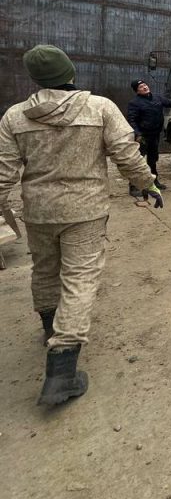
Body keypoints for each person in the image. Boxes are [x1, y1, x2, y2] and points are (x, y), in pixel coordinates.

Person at [0, 45, 162, 406]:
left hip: (39, 213)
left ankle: (49, 329)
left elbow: (4, 173)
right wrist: (148, 183)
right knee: (79, 279)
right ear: (70, 72)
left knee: (44, 271)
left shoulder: (14, 117)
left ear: (35, 78)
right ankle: (61, 371)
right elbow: (126, 154)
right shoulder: (100, 108)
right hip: (85, 212)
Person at [126, 79, 171, 194]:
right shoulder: (134, 103)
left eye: (145, 85)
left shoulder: (157, 98)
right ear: (137, 91)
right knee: (138, 162)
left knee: (153, 160)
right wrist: (138, 134)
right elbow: (131, 120)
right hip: (142, 137)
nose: (144, 87)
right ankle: (133, 187)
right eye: (140, 87)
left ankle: (154, 182)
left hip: (154, 135)